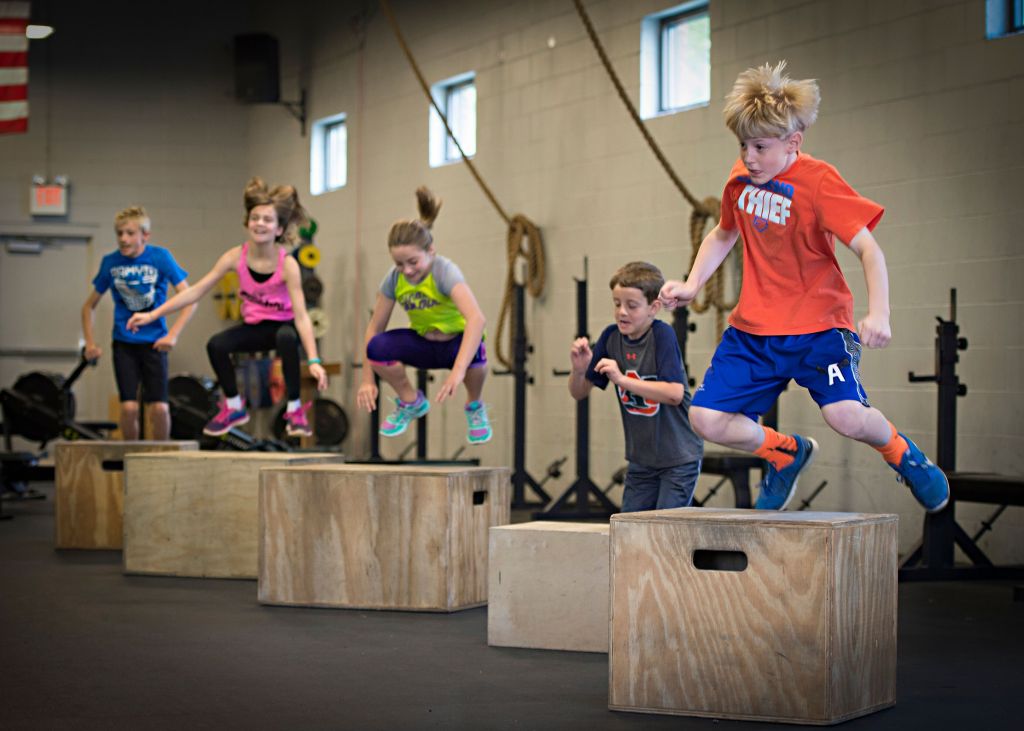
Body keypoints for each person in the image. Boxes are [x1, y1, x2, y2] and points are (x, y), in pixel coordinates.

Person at [659, 61, 949, 512]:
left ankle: (902, 453)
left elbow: (869, 250)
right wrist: (694, 283)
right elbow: (723, 232)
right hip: (755, 330)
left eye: (760, 146)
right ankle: (784, 453)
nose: (749, 157)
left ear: (793, 142)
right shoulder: (741, 178)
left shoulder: (819, 182)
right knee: (705, 418)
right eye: (743, 145)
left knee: (846, 417)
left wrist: (880, 313)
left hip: (819, 327)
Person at [127, 177, 328, 437]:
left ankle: (295, 409)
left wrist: (313, 360)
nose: (260, 223)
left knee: (287, 337)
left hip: (283, 327)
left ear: (279, 229)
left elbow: (302, 317)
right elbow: (195, 291)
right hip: (254, 328)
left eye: (268, 220)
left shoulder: (287, 265)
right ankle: (234, 407)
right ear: (247, 223)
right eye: (255, 218)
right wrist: (152, 315)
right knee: (216, 345)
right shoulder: (235, 257)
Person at [356, 186, 491, 444]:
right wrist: (367, 380)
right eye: (399, 264)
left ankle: (474, 405)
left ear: (431, 251)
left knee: (476, 348)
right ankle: (410, 401)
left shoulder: (444, 271)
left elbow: (477, 319)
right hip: (423, 345)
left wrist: (458, 371)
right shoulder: (394, 279)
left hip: (455, 346)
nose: (406, 270)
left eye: (413, 262)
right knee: (377, 346)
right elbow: (374, 328)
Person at [569, 261, 703, 511]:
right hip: (641, 460)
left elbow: (675, 393)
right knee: (630, 526)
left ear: (653, 308)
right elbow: (579, 392)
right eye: (617, 304)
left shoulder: (661, 335)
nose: (622, 312)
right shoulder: (610, 337)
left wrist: (622, 380)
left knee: (665, 526)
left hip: (678, 458)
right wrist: (578, 370)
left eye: (631, 306)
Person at [82, 206, 194, 440]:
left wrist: (172, 335)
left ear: (145, 235)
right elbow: (88, 306)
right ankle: (130, 455)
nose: (124, 239)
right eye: (120, 233)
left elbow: (190, 300)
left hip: (155, 344)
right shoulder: (110, 263)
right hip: (124, 344)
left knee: (159, 408)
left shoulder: (160, 257)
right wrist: (90, 343)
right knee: (129, 408)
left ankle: (161, 455)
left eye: (130, 233)